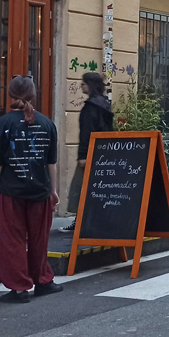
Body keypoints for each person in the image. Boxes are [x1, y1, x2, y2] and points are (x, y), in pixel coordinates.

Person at [0, 76, 61, 304]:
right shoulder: (47, 124)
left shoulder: (1, 124)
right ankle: (43, 281)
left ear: (10, 94)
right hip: (40, 190)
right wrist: (53, 190)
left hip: (10, 192)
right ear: (34, 95)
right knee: (39, 240)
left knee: (11, 240)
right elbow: (51, 163)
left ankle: (19, 288)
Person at [62, 72, 112, 232]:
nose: (80, 86)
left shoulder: (90, 107)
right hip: (104, 153)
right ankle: (92, 221)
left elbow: (86, 133)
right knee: (98, 188)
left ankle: (80, 222)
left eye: (83, 83)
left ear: (90, 85)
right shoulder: (105, 104)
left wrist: (82, 156)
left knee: (80, 188)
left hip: (90, 153)